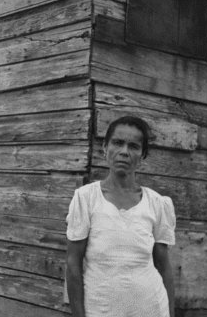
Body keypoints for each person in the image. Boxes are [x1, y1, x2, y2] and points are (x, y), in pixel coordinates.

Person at [65, 116, 176, 317]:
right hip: (101, 310)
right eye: (117, 143)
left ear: (142, 155)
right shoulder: (87, 198)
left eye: (133, 146)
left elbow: (164, 266)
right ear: (105, 148)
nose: (124, 151)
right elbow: (73, 265)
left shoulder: (157, 203)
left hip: (151, 309)